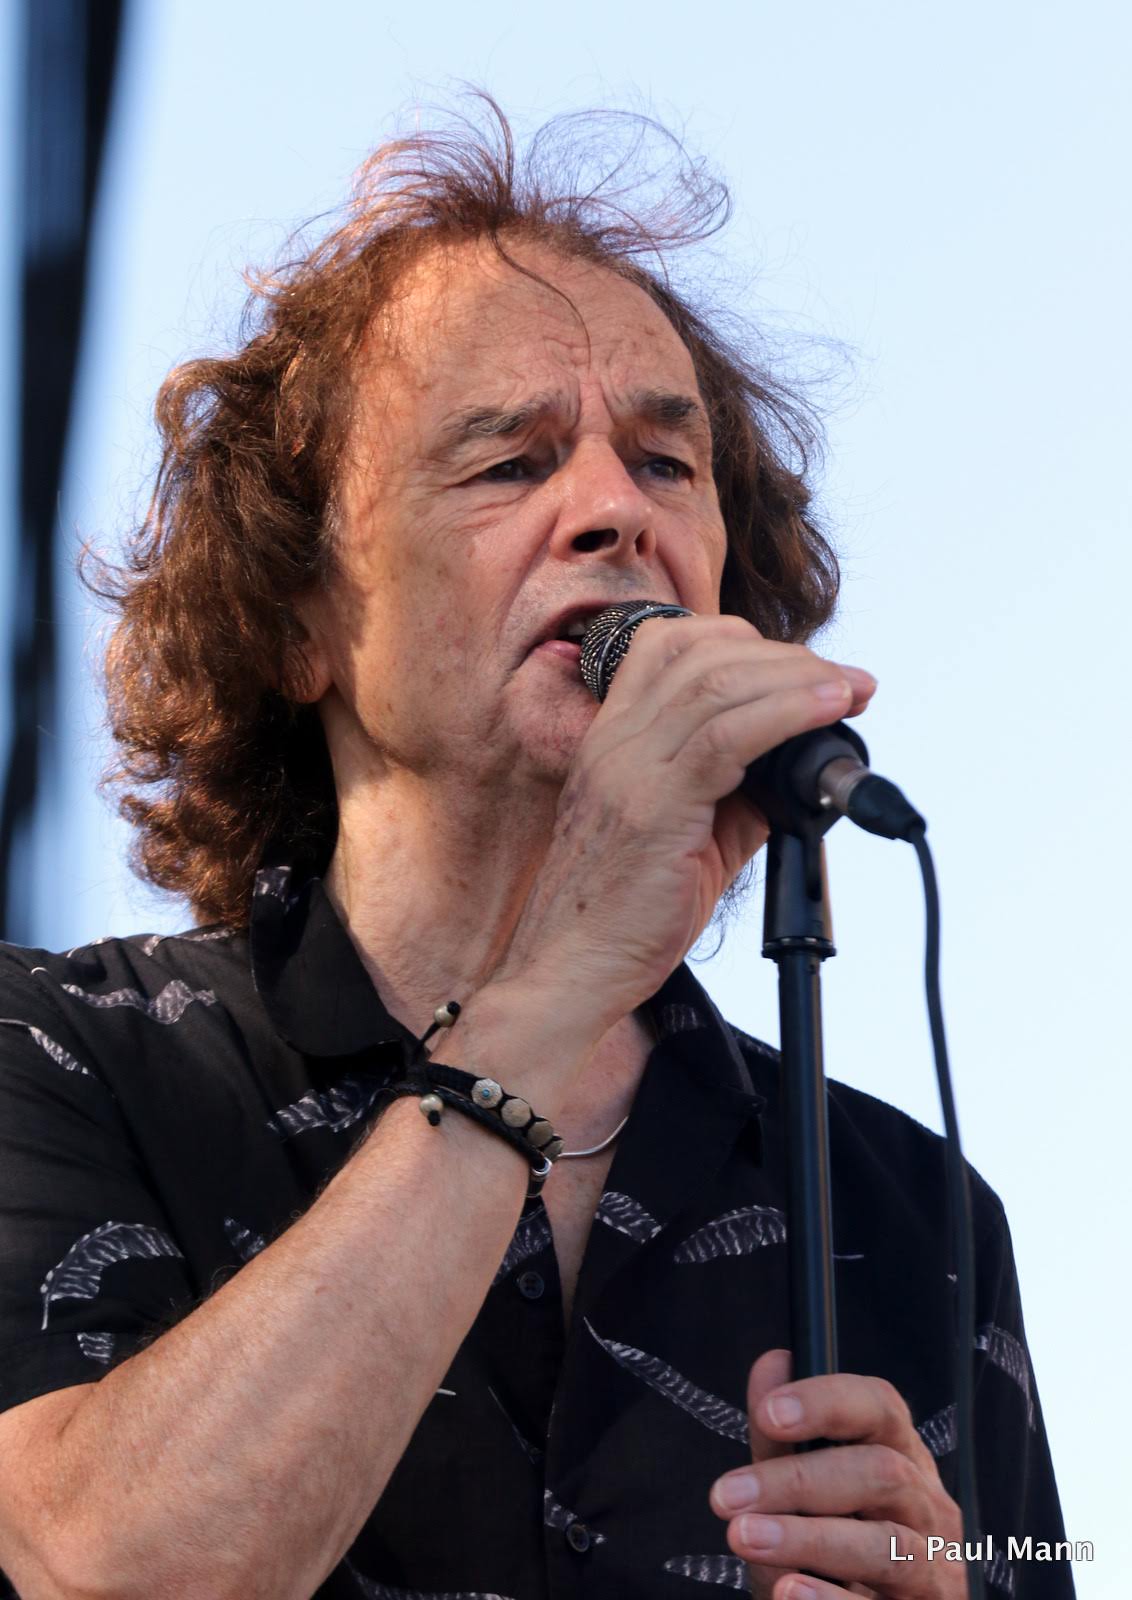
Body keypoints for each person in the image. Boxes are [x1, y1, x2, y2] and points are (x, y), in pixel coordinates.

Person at [0, 101, 1072, 1600]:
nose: (616, 510)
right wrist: (561, 977)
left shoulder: (911, 1211)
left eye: (668, 462)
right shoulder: (66, 1059)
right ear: (296, 622)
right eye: (510, 463)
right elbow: (108, 1571)